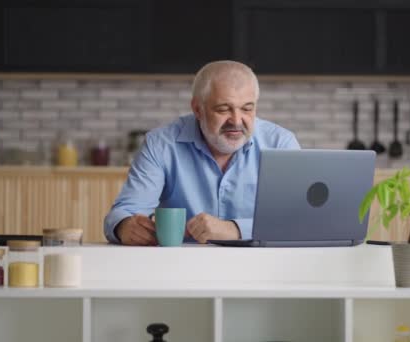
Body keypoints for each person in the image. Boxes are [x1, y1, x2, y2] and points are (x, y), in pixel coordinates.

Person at [104, 60, 300, 245]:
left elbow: (298, 220)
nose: (237, 120)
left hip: (262, 266)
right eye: (224, 109)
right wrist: (124, 227)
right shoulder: (161, 144)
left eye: (247, 109)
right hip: (181, 268)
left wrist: (235, 229)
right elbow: (123, 212)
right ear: (198, 109)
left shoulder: (280, 143)